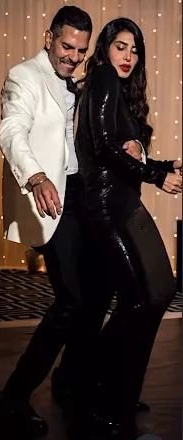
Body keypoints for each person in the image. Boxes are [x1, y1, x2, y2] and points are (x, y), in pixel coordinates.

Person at [0, 6, 150, 437]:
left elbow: (100, 139)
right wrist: (36, 176)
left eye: (81, 50)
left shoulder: (82, 83)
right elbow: (12, 131)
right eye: (66, 47)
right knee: (72, 302)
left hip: (85, 199)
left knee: (99, 292)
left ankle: (71, 377)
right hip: (50, 199)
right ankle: (12, 397)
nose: (73, 56)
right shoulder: (24, 76)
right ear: (49, 38)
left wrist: (137, 148)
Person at [68, 17, 181, 437]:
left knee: (160, 292)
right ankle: (100, 391)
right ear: (105, 48)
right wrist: (156, 176)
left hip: (124, 202)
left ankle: (117, 389)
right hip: (105, 207)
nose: (128, 56)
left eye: (134, 50)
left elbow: (122, 153)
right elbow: (103, 148)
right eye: (121, 46)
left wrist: (163, 164)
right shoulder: (101, 76)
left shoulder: (119, 90)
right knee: (137, 301)